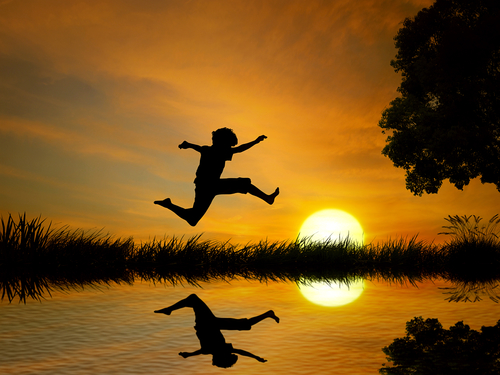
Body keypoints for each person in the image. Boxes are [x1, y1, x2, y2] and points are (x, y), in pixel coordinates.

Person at [154, 127, 279, 226]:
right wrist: (256, 141)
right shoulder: (221, 151)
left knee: (193, 219)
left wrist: (188, 145)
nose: (230, 148)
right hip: (210, 185)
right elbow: (240, 149)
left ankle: (168, 205)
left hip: (203, 186)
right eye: (229, 145)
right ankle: (267, 198)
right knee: (244, 183)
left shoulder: (207, 149)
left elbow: (196, 147)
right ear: (223, 142)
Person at [154, 293, 280, 368]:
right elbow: (242, 352)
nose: (213, 361)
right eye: (215, 361)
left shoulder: (214, 350)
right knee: (193, 299)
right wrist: (256, 357)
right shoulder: (217, 350)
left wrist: (188, 355)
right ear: (221, 358)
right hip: (209, 323)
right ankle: (169, 310)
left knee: (243, 324)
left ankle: (268, 314)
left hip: (209, 323)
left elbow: (241, 352)